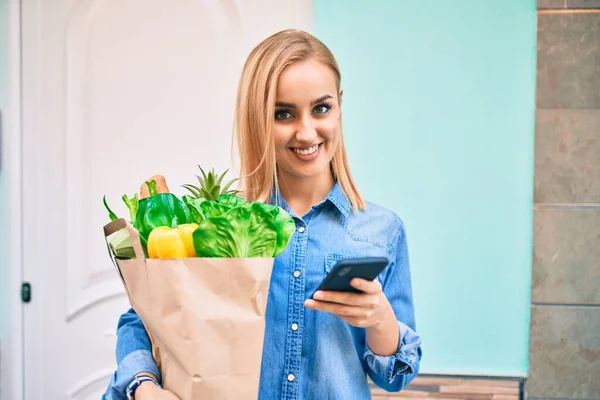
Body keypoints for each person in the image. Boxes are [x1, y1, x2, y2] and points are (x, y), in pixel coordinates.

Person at [102, 29, 422, 400]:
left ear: (340, 105)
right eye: (283, 113)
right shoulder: (220, 225)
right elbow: (142, 320)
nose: (306, 132)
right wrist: (143, 386)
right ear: (257, 118)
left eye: (321, 108)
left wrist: (380, 318)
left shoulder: (381, 231)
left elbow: (395, 377)